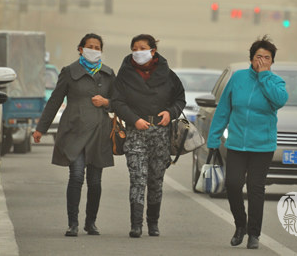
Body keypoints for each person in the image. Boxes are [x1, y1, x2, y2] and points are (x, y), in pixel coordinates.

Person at [207, 35, 288, 249]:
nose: (262, 60)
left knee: (255, 189)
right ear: (251, 59)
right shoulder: (238, 78)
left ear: (272, 62)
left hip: (262, 146)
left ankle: (254, 234)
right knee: (233, 185)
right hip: (236, 145)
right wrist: (214, 138)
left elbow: (279, 101)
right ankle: (240, 225)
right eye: (258, 57)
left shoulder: (276, 82)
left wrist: (263, 77)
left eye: (267, 58)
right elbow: (224, 109)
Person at [33, 33, 116, 237]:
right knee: (77, 176)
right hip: (74, 132)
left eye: (97, 47)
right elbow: (54, 100)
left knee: (95, 182)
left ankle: (91, 222)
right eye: (90, 46)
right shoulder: (69, 72)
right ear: (80, 49)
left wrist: (106, 103)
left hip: (99, 133)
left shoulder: (108, 74)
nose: (94, 50)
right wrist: (41, 128)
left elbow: (120, 102)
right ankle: (73, 223)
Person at [111, 34, 185, 238]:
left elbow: (180, 99)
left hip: (160, 134)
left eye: (142, 48)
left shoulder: (168, 74)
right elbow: (117, 101)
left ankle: (153, 222)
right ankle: (136, 224)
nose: (137, 52)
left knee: (155, 179)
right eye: (134, 48)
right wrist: (134, 119)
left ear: (153, 51)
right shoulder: (124, 74)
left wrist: (171, 113)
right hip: (135, 132)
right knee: (137, 178)